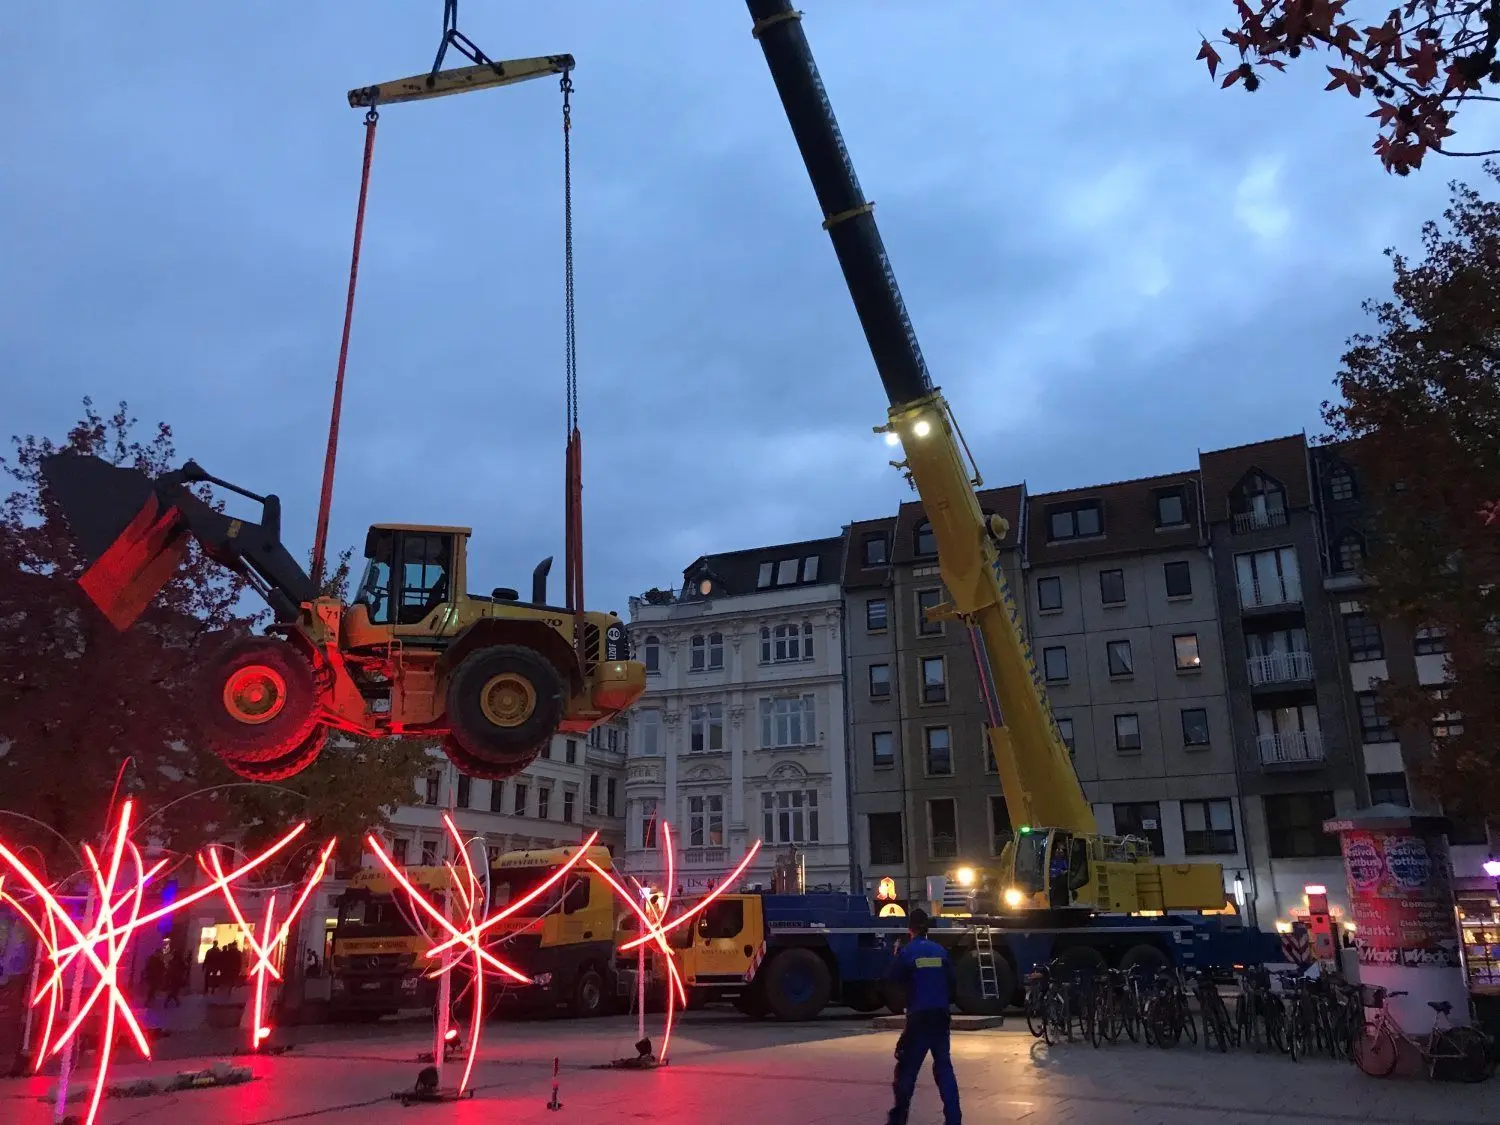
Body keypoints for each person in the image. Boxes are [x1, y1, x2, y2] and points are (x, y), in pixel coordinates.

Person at [886, 909, 961, 1125]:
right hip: (940, 1015)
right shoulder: (940, 951)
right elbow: (952, 982)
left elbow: (892, 977)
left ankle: (898, 1119)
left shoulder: (908, 952)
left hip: (919, 1017)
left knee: (907, 1070)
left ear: (910, 928)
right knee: (944, 1067)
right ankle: (954, 1119)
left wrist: (896, 954)